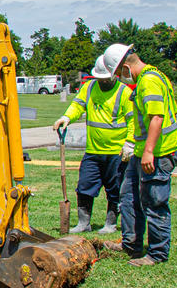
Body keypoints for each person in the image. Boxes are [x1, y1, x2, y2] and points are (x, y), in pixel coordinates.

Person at [102, 45, 177, 266]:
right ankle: (131, 243)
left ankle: (156, 254)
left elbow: (156, 117)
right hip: (141, 153)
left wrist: (148, 152)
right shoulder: (148, 78)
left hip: (157, 153)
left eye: (118, 73)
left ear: (126, 67)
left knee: (154, 204)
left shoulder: (149, 81)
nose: (119, 78)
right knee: (129, 199)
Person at [52, 54, 134, 234]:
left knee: (114, 190)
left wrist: (129, 143)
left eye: (105, 78)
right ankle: (84, 223)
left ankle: (110, 223)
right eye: (99, 78)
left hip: (117, 153)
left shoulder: (124, 92)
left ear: (114, 75)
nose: (102, 81)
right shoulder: (89, 88)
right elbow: (77, 106)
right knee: (84, 187)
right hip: (93, 151)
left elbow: (133, 121)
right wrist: (66, 117)